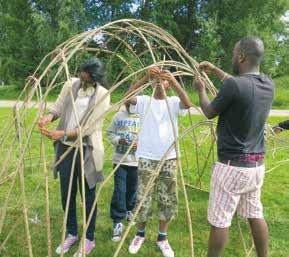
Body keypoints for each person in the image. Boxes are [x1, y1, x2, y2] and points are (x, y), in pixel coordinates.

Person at [193, 36, 274, 257]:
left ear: (241, 56)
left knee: (220, 221)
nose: (232, 57)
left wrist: (200, 89)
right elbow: (238, 85)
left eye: (234, 53)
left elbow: (209, 111)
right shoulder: (268, 84)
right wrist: (216, 70)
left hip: (231, 167)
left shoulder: (234, 85)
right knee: (255, 213)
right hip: (256, 166)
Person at [38, 58, 110, 256]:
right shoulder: (70, 85)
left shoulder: (103, 95)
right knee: (66, 193)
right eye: (81, 75)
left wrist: (62, 133)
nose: (81, 80)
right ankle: (72, 233)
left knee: (88, 195)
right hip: (66, 149)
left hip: (87, 151)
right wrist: (49, 116)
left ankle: (89, 238)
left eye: (86, 78)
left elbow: (90, 127)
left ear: (95, 78)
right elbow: (59, 107)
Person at [125, 66, 192, 257]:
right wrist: (144, 77)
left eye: (163, 80)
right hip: (146, 157)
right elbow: (126, 97)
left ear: (169, 84)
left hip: (169, 158)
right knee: (143, 198)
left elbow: (188, 104)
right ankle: (140, 234)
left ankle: (162, 237)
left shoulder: (173, 102)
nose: (159, 82)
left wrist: (175, 80)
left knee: (167, 198)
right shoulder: (144, 101)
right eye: (155, 79)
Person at [107, 102, 140, 242]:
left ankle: (129, 210)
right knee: (120, 190)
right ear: (126, 101)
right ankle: (117, 221)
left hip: (136, 160)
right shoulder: (118, 116)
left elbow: (149, 135)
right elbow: (109, 133)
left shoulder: (142, 116)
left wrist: (141, 143)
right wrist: (119, 140)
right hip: (120, 160)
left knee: (133, 188)